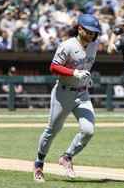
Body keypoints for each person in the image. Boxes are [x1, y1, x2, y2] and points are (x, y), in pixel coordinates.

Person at [33, 14, 101, 182]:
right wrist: (74, 73)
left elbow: (85, 65)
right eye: (89, 31)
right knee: (52, 130)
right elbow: (54, 67)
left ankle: (67, 157)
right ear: (80, 29)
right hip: (63, 93)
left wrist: (85, 77)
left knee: (88, 130)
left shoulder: (94, 45)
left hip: (82, 94)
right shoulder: (67, 45)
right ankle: (39, 164)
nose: (92, 34)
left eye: (94, 32)